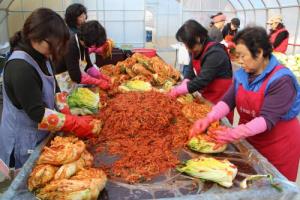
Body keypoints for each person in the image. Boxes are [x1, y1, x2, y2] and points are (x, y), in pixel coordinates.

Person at [190, 26, 300, 181]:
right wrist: (209, 118)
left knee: (273, 186)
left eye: (243, 56)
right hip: (251, 137)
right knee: (249, 180)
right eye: (237, 55)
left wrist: (234, 133)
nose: (239, 61)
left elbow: (267, 119)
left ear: (260, 53)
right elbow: (228, 101)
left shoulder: (282, 80)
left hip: (278, 143)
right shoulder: (243, 74)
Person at [0, 8, 101, 169]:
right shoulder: (20, 68)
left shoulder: (42, 56)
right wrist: (74, 123)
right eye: (54, 44)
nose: (57, 50)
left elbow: (55, 88)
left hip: (41, 132)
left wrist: (66, 111)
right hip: (22, 139)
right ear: (37, 36)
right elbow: (37, 113)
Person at [169, 20, 232, 105]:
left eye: (187, 44)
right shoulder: (197, 49)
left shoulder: (216, 53)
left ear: (197, 39)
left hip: (220, 100)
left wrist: (179, 90)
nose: (187, 48)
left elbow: (203, 80)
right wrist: (186, 80)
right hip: (207, 94)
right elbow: (191, 69)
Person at [55, 20, 111, 92]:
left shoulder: (84, 44)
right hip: (62, 83)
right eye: (94, 44)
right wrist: (99, 82)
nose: (94, 47)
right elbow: (76, 77)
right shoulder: (71, 46)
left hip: (72, 82)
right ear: (90, 40)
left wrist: (101, 76)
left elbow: (88, 66)